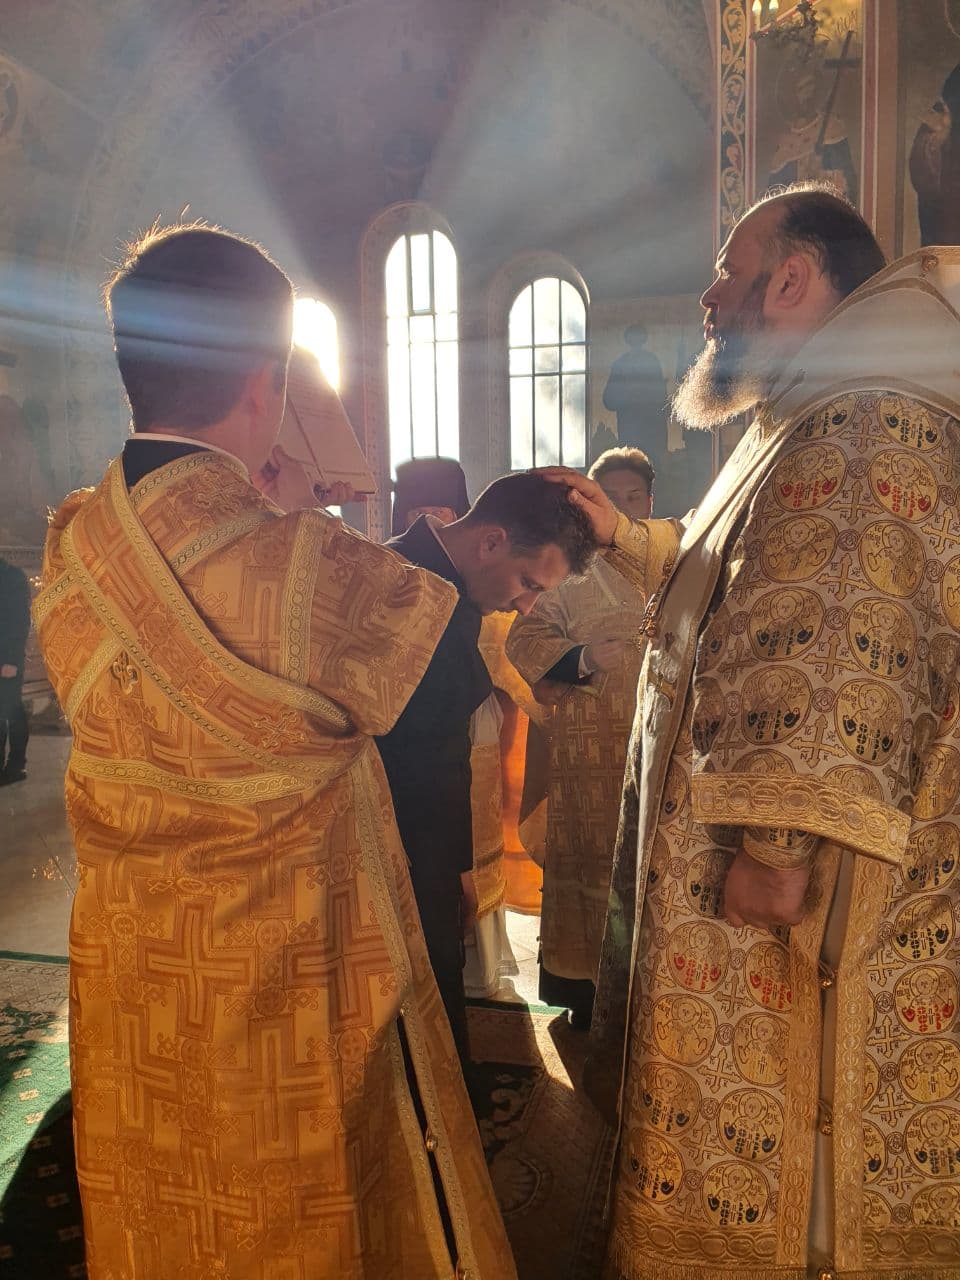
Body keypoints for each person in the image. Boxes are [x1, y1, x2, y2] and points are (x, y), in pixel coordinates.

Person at [33, 224, 516, 1280]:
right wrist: (293, 515)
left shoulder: (73, 548)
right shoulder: (314, 564)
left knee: (157, 1197)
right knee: (294, 1213)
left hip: (134, 977)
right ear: (267, 383)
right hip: (283, 992)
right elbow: (451, 686)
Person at [588, 180, 960, 1280]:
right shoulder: (820, 406)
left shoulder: (859, 414)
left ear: (793, 278)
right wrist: (628, 539)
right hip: (791, 860)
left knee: (795, 1161)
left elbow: (841, 633)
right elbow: (742, 589)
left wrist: (775, 852)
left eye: (730, 272)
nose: (710, 299)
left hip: (800, 902)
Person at [376, 468, 600, 1064]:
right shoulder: (398, 586)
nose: (524, 604)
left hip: (423, 836)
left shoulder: (452, 581)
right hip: (388, 843)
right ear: (492, 540)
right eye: (527, 582)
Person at [505, 448, 671, 1028]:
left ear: (648, 502)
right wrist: (581, 658)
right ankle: (583, 986)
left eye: (632, 498)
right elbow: (523, 639)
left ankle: (654, 998)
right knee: (589, 866)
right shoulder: (567, 570)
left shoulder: (674, 563)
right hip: (588, 753)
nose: (621, 507)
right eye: (609, 498)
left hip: (663, 749)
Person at [389, 456, 520, 1007]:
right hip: (424, 780)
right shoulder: (398, 576)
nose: (431, 522)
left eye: (441, 511)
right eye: (417, 512)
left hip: (474, 739)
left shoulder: (478, 583)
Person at [0, 554, 31, 784]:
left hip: (7, 660)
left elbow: (20, 623)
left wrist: (10, 661)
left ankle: (16, 766)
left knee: (10, 712)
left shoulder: (13, 577)